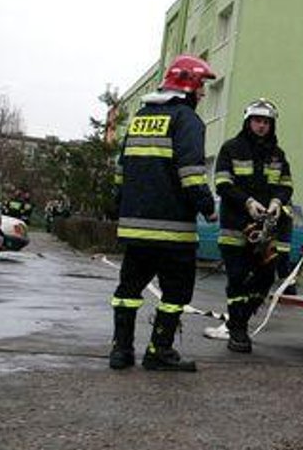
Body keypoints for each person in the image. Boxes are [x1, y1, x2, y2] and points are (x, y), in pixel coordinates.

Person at [109, 54, 217, 372]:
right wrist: (208, 207)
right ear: (189, 86)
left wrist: (122, 208)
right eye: (201, 87)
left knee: (128, 291)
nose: (202, 94)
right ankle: (159, 351)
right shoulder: (187, 120)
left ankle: (121, 351)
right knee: (175, 293)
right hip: (172, 232)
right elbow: (192, 175)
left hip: (135, 229)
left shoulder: (140, 117)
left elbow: (120, 171)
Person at [214, 97, 293, 353]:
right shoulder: (231, 149)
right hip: (235, 226)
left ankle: (240, 320)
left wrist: (276, 202)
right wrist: (247, 202)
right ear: (248, 122)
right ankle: (237, 332)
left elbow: (286, 185)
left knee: (265, 278)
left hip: (267, 230)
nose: (261, 126)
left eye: (266, 122)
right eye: (257, 121)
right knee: (236, 278)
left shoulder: (277, 155)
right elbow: (223, 184)